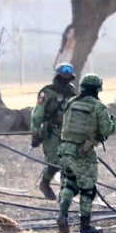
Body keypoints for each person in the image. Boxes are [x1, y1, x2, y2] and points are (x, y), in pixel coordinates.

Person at [55, 73, 116, 233]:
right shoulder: (99, 107)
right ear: (98, 89)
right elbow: (106, 130)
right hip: (83, 153)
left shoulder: (71, 102)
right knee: (88, 189)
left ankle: (63, 213)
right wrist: (115, 122)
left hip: (65, 150)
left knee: (69, 183)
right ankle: (85, 225)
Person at [31, 63, 78, 201]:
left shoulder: (71, 92)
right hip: (51, 132)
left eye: (69, 75)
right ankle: (45, 184)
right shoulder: (47, 92)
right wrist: (35, 133)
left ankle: (64, 193)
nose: (66, 78)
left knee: (68, 162)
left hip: (67, 132)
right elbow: (38, 113)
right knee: (54, 162)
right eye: (64, 75)